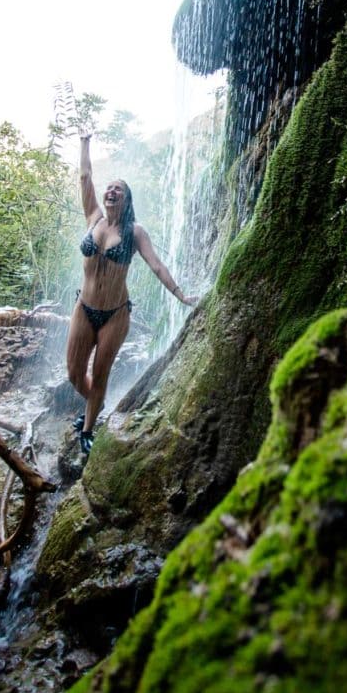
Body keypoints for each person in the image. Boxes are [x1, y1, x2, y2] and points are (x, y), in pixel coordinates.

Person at [67, 134, 196, 454]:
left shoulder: (135, 231)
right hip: (84, 308)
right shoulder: (93, 217)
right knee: (74, 373)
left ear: (126, 200)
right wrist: (84, 143)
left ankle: (87, 428)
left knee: (100, 373)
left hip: (115, 314)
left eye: (118, 189)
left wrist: (180, 295)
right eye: (109, 187)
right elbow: (84, 177)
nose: (111, 191)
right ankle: (95, 405)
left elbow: (156, 265)